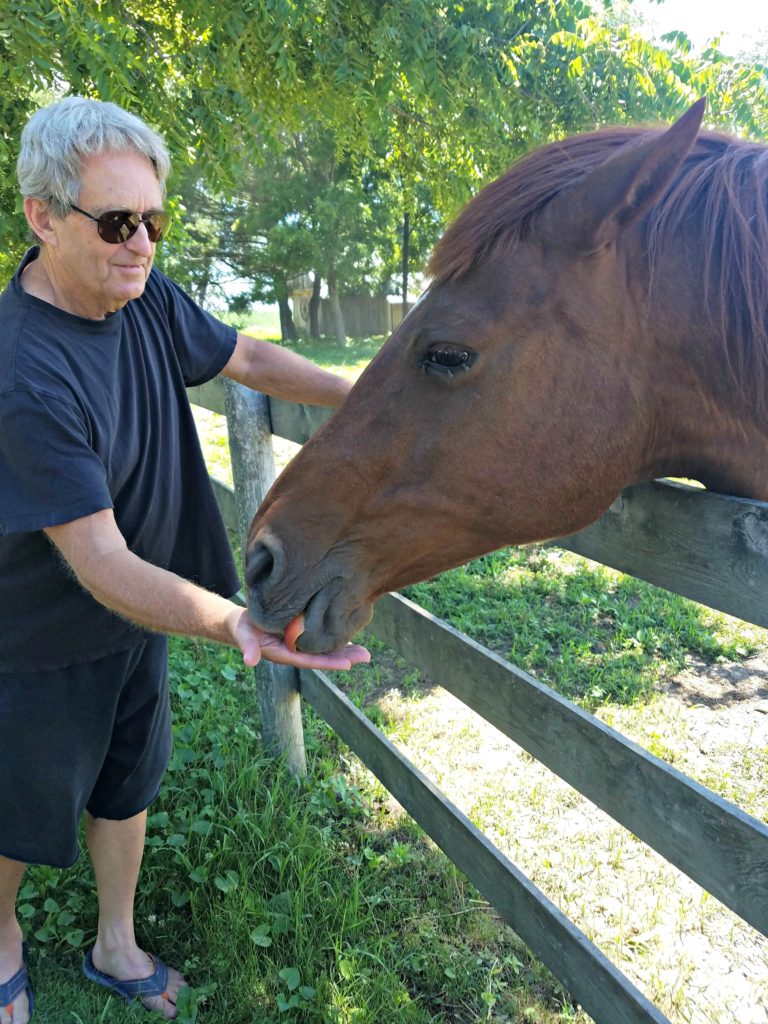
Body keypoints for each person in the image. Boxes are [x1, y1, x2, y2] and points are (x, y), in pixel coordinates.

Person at [0, 96, 369, 1023]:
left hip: (140, 619)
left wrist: (354, 395)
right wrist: (234, 622)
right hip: (39, 634)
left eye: (155, 221)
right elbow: (101, 560)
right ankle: (0, 936)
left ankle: (114, 940)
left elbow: (240, 352)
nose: (143, 243)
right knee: (20, 803)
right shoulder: (20, 369)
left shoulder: (142, 290)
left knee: (130, 780)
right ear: (43, 217)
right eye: (119, 220)